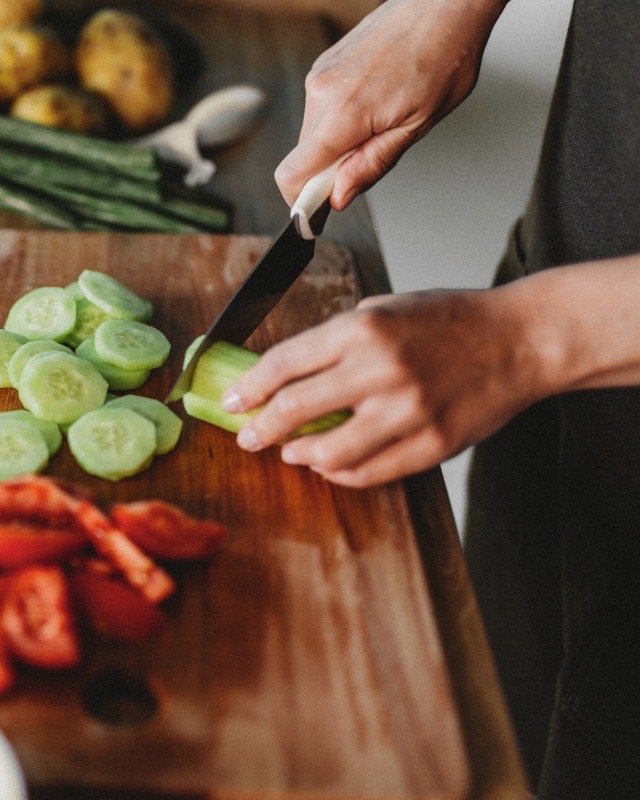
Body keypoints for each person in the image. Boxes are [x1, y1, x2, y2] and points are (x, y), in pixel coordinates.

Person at [220, 0, 640, 795]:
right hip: (568, 269)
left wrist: (526, 339)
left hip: (547, 344)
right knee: (504, 719)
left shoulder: (517, 341)